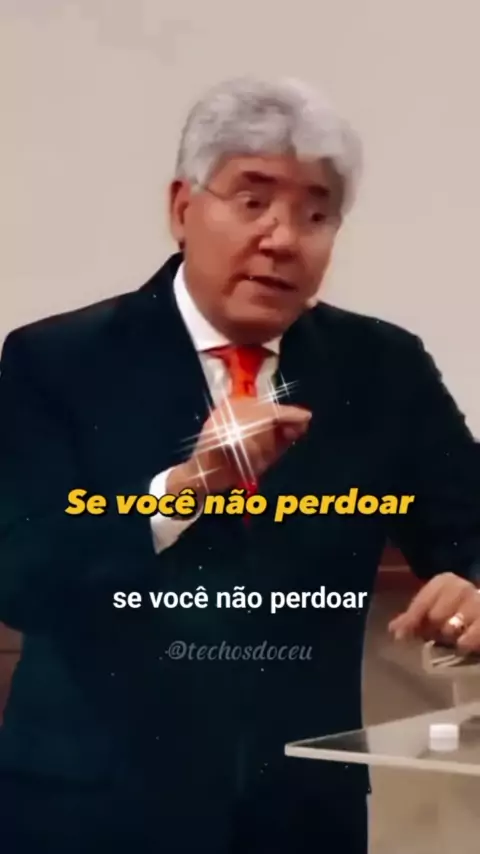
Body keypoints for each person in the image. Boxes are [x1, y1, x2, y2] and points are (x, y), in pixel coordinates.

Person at [0, 76, 480, 854]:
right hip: (94, 812)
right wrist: (185, 489)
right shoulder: (54, 362)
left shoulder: (382, 368)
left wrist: (473, 591)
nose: (284, 238)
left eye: (316, 213)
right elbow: (20, 573)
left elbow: (469, 528)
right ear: (182, 208)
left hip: (300, 811)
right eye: (253, 201)